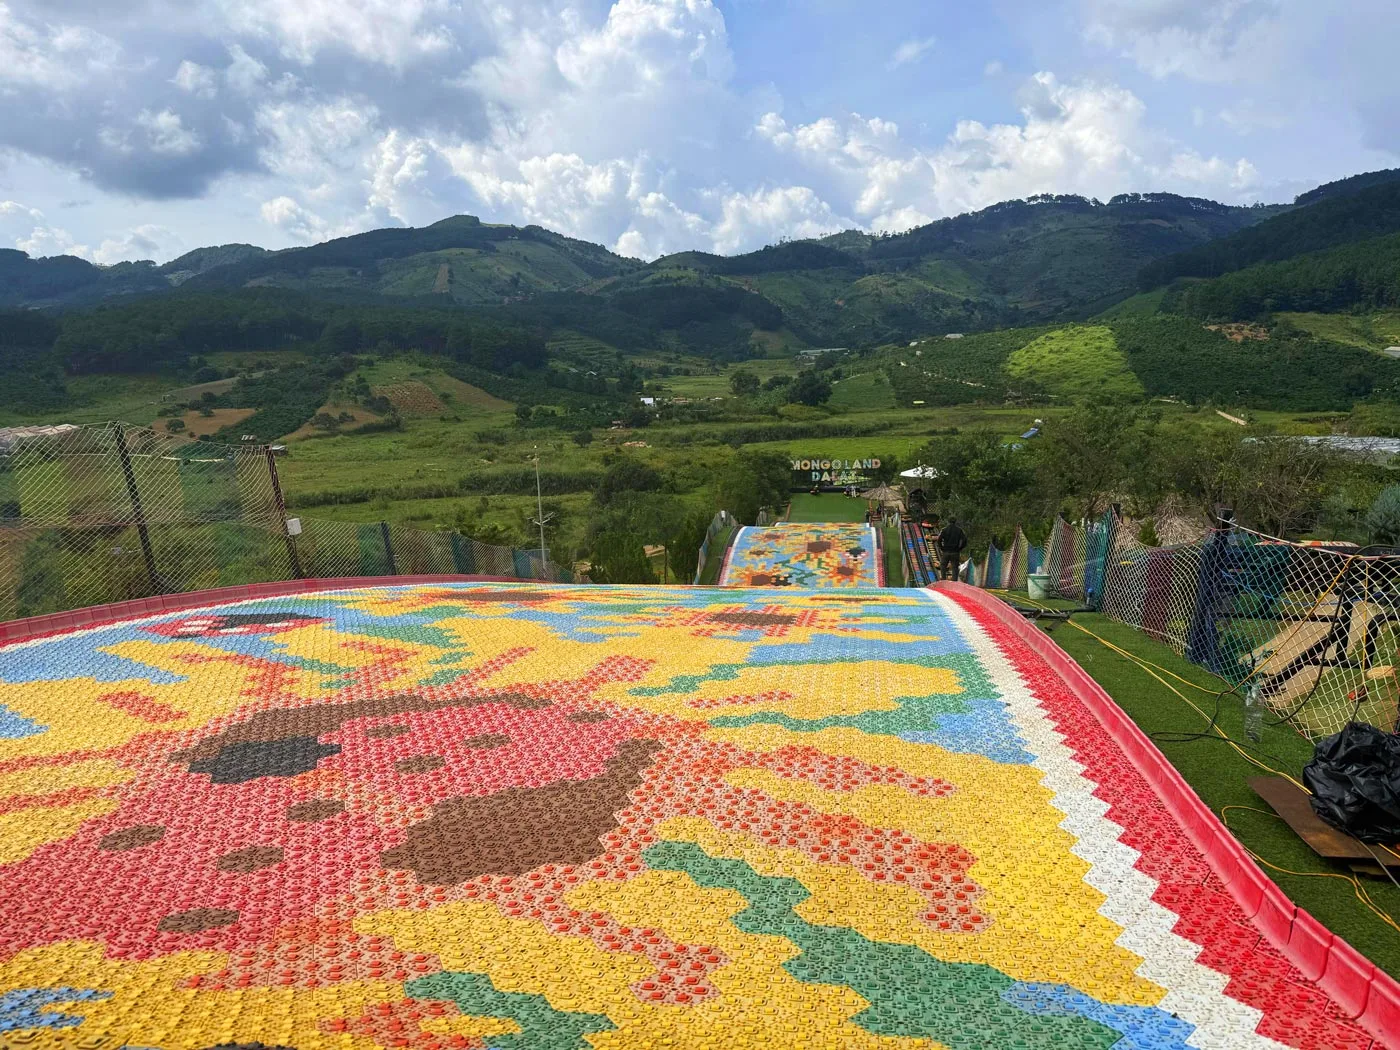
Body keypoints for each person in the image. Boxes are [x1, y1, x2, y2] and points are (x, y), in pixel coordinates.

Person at [937, 516, 967, 581]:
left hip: (946, 551)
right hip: (955, 552)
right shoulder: (959, 530)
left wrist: (942, 548)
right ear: (955, 521)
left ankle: (943, 580)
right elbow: (964, 540)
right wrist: (960, 548)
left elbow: (939, 540)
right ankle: (954, 582)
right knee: (955, 568)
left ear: (948, 521)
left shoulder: (944, 530)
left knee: (943, 566)